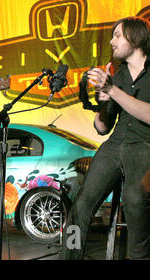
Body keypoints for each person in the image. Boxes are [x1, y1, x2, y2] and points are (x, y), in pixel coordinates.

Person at [60, 16, 150, 260]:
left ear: (135, 37)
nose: (112, 41)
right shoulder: (118, 77)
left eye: (117, 35)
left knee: (134, 199)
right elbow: (101, 128)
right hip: (115, 145)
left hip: (144, 145)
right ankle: (69, 257)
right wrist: (103, 100)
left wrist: (113, 91)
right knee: (80, 204)